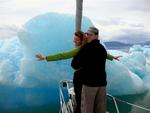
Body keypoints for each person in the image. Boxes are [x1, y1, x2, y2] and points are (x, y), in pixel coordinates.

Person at [35, 31, 121, 113]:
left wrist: (45, 58)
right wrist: (112, 57)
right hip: (91, 79)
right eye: (74, 39)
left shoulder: (80, 49)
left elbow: (62, 55)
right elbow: (103, 54)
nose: (74, 41)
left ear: (82, 40)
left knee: (80, 100)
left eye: (76, 40)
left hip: (81, 79)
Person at [71, 27, 108, 113]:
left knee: (87, 109)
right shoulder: (102, 49)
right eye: (87, 34)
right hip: (102, 84)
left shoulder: (86, 48)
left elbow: (74, 65)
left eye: (89, 34)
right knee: (100, 109)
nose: (87, 36)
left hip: (90, 84)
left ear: (95, 35)